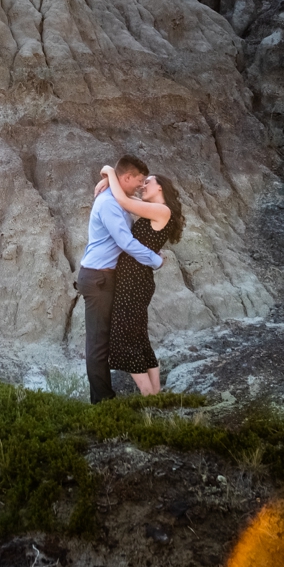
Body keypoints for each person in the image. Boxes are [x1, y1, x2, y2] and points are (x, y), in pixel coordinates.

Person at [77, 154, 160, 402]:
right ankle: (102, 401)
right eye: (139, 180)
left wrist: (107, 174)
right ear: (127, 177)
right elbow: (125, 242)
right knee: (98, 342)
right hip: (97, 278)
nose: (141, 186)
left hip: (105, 277)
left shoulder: (120, 197)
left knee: (108, 338)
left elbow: (129, 196)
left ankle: (115, 396)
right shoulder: (109, 204)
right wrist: (156, 260)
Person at [100, 168, 184, 395]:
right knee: (137, 336)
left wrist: (109, 172)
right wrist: (109, 183)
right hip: (136, 279)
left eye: (147, 182)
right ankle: (155, 394)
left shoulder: (161, 210)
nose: (142, 186)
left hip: (134, 281)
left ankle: (147, 395)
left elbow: (121, 199)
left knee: (123, 338)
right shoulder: (157, 211)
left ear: (160, 187)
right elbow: (125, 197)